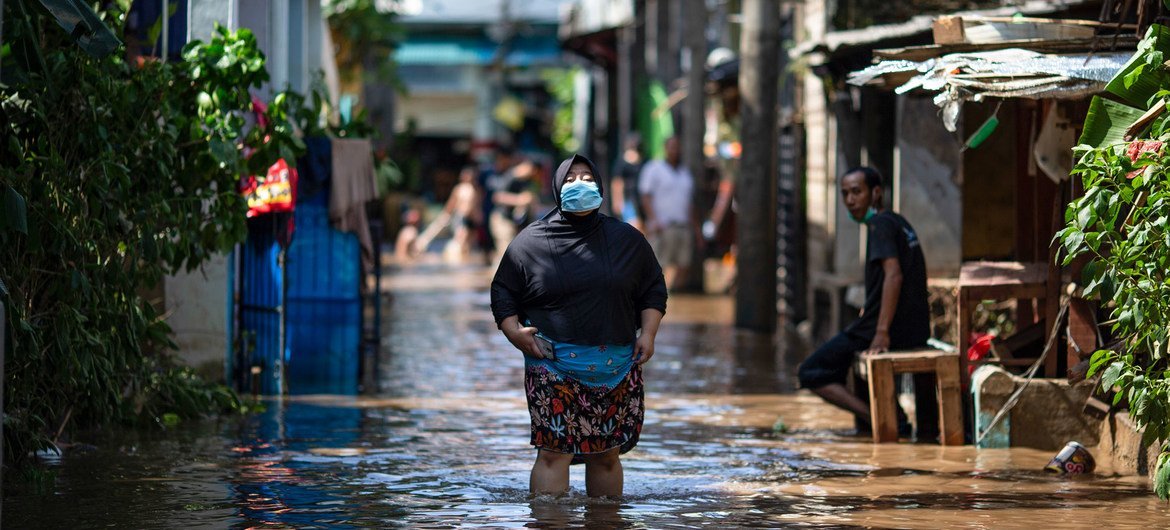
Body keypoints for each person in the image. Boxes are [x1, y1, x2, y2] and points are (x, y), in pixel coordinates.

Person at [490, 154, 667, 498]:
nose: (579, 184)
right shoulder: (530, 242)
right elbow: (503, 292)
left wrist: (649, 332)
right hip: (552, 365)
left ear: (600, 186)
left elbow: (653, 288)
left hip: (616, 367)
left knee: (605, 455)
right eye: (570, 179)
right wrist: (514, 332)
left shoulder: (627, 240)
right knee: (554, 454)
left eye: (587, 178)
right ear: (557, 188)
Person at [797, 167, 936, 438]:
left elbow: (894, 275)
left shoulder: (880, 225)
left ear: (876, 193)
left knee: (810, 371)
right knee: (841, 359)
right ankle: (882, 418)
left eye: (857, 192)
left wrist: (882, 331)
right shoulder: (897, 222)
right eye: (845, 193)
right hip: (915, 328)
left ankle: (882, 416)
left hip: (888, 329)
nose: (850, 200)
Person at [639, 137, 696, 291]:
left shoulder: (685, 173)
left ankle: (672, 299)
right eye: (671, 147)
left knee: (684, 265)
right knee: (659, 264)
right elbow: (645, 196)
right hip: (663, 225)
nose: (675, 150)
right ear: (665, 148)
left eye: (677, 147)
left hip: (683, 226)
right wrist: (653, 220)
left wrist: (695, 229)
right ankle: (658, 300)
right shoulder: (653, 169)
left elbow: (690, 203)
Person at [412, 166, 482, 262]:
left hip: (471, 218)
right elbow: (452, 203)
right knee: (460, 239)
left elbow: (476, 205)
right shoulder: (459, 188)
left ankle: (465, 261)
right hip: (461, 217)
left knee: (468, 243)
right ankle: (457, 261)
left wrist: (478, 216)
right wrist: (446, 214)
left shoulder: (475, 190)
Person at [489, 158, 537, 267]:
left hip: (511, 221)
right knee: (506, 251)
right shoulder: (510, 177)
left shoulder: (523, 181)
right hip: (501, 219)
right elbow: (497, 197)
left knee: (509, 250)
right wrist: (519, 200)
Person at [610, 134, 645, 231]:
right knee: (633, 226)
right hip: (628, 198)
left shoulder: (643, 160)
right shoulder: (622, 162)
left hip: (640, 198)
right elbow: (617, 182)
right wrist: (617, 201)